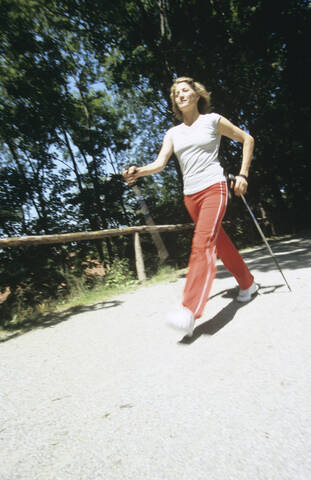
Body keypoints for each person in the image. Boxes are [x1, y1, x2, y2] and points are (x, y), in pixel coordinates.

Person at [123, 76, 257, 336]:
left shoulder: (213, 120)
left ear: (197, 95)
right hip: (190, 197)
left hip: (214, 188)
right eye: (176, 93)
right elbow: (160, 163)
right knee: (219, 243)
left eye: (185, 91)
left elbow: (247, 139)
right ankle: (247, 283)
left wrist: (243, 175)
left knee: (202, 243)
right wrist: (138, 171)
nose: (180, 95)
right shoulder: (173, 133)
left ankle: (189, 309)